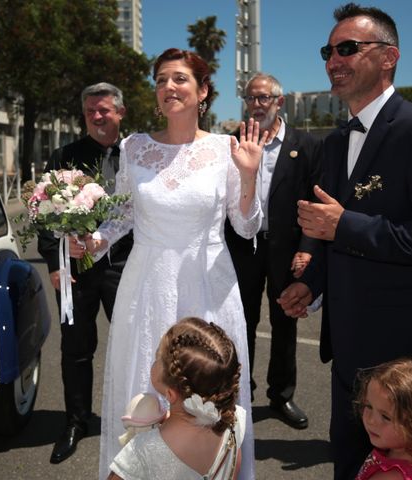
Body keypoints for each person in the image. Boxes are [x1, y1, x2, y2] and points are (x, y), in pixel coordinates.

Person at [278, 3, 412, 478]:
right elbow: (333, 231)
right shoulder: (338, 141)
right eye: (328, 50)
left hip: (408, 358)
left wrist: (346, 225)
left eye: (348, 48)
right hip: (348, 353)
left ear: (389, 57)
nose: (333, 60)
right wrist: (314, 282)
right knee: (347, 464)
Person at [84, 48, 268, 480]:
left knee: (207, 388)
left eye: (180, 79)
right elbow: (122, 214)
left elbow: (245, 228)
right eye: (162, 79)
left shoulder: (229, 148)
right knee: (144, 384)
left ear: (203, 91)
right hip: (146, 283)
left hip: (208, 285)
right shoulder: (133, 147)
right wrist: (89, 242)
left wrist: (248, 176)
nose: (169, 87)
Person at [37, 82, 133, 464]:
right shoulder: (64, 156)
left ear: (120, 113)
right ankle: (76, 421)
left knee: (130, 346)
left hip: (127, 265)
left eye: (104, 110)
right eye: (91, 110)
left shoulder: (136, 153)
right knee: (76, 349)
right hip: (77, 269)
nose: (97, 116)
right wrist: (56, 261)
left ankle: (135, 419)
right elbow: (42, 213)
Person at [224, 73, 321, 429]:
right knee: (240, 324)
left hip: (287, 251)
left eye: (264, 98)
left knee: (284, 325)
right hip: (240, 249)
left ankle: (281, 395)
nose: (256, 105)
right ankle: (240, 394)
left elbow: (315, 201)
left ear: (280, 102)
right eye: (251, 98)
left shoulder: (306, 145)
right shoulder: (230, 143)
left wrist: (308, 249)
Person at [108, 317, 246, 480]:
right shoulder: (234, 421)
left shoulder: (142, 451)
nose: (155, 359)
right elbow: (233, 470)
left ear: (171, 394)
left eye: (158, 358)